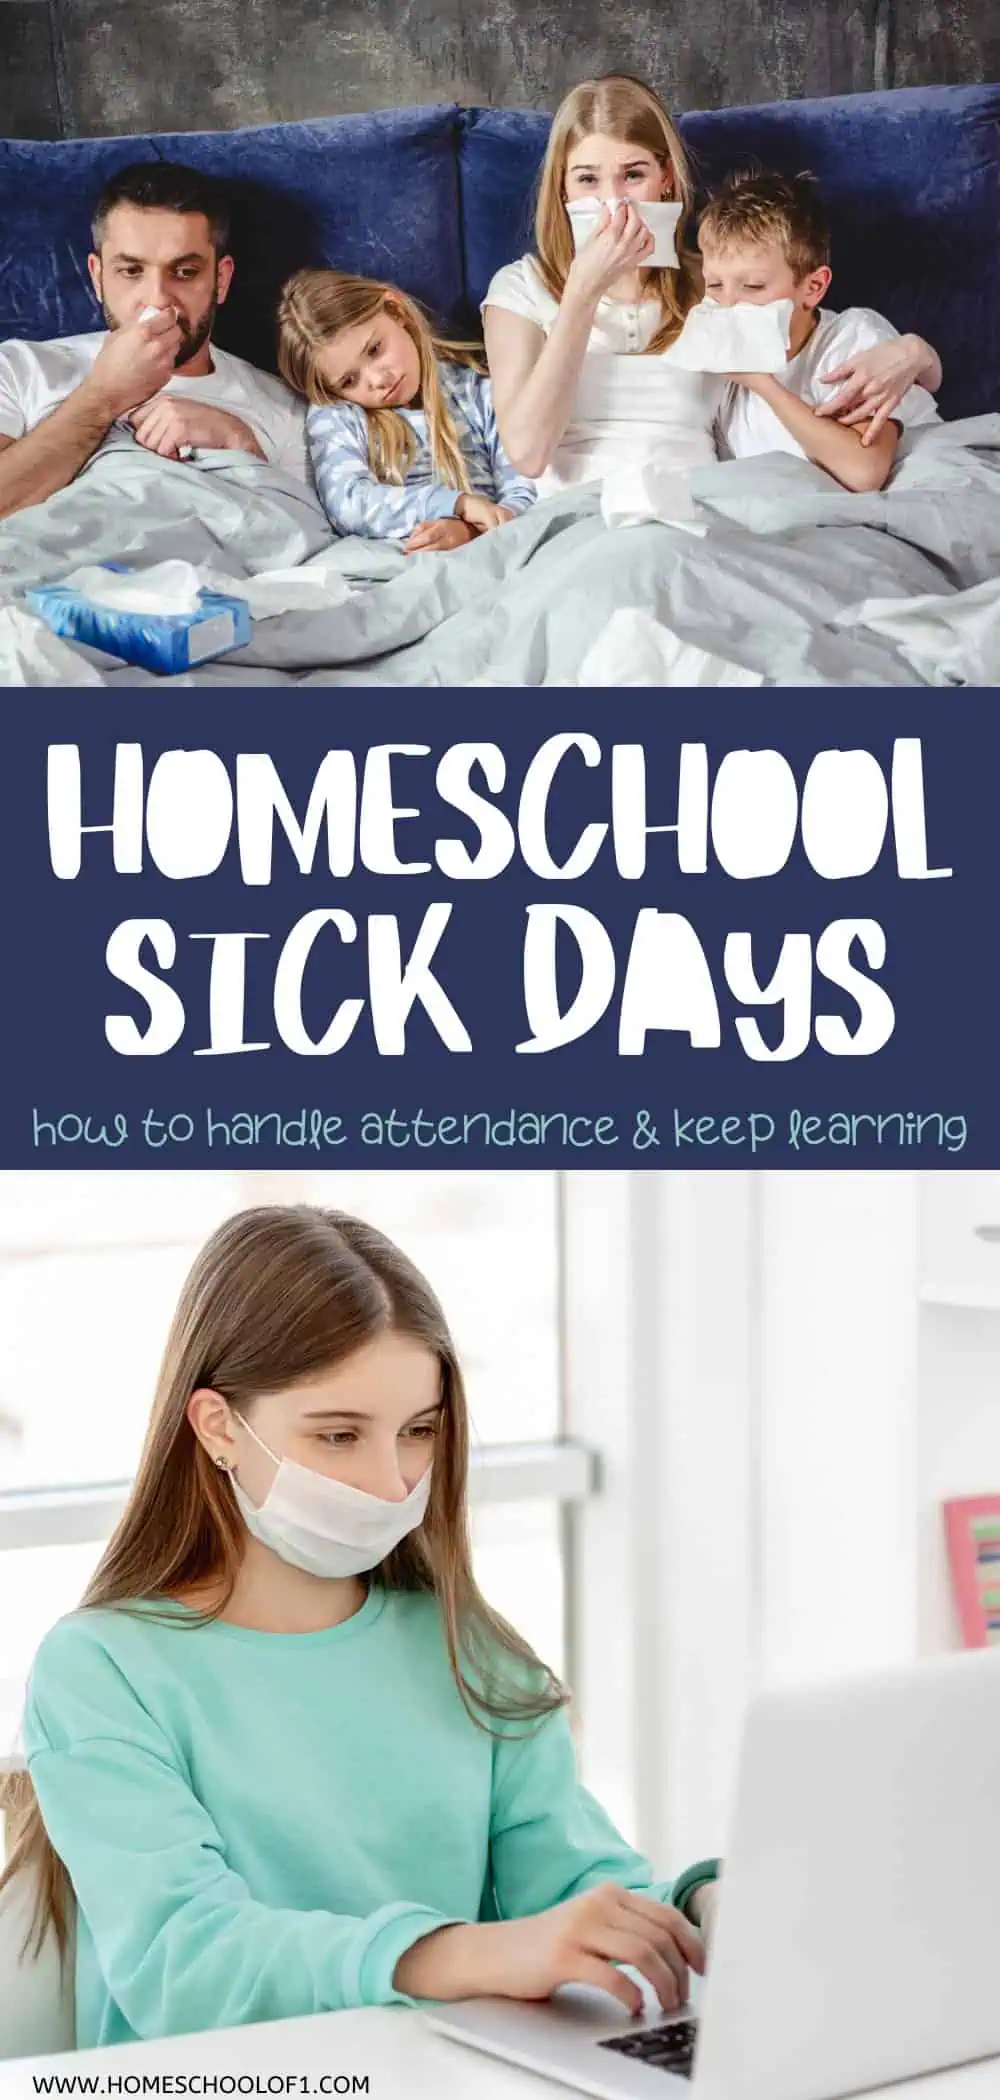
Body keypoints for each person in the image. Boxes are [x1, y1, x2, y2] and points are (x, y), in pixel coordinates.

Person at [0, 1206, 719, 2051]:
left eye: (418, 1432)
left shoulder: (468, 1650)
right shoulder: (103, 1670)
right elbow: (184, 1964)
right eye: (339, 1435)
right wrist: (452, 1954)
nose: (390, 1482)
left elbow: (573, 1887)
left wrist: (697, 1907)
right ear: (219, 1426)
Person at [482, 73, 942, 495]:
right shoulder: (521, 289)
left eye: (633, 175)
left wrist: (915, 353)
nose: (613, 202)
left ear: (664, 179)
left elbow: (815, 334)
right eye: (588, 180)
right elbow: (527, 454)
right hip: (577, 514)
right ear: (562, 190)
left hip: (699, 511)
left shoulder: (716, 285)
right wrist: (581, 292)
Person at [0, 163, 308, 522]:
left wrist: (240, 445)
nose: (158, 300)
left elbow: (316, 548)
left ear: (221, 281)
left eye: (184, 272)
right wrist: (102, 399)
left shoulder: (285, 410)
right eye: (131, 271)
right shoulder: (19, 369)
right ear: (98, 277)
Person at [701, 170, 941, 492]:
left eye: (753, 286)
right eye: (715, 285)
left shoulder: (852, 339)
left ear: (813, 287)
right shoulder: (723, 374)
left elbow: (864, 471)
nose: (728, 305)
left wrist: (762, 383)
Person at [277, 269, 536, 553]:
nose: (378, 379)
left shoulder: (477, 390)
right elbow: (348, 503)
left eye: (375, 349)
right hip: (401, 564)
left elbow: (525, 490)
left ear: (395, 309)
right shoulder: (339, 415)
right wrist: (456, 505)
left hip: (495, 551)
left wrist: (470, 531)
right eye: (350, 381)